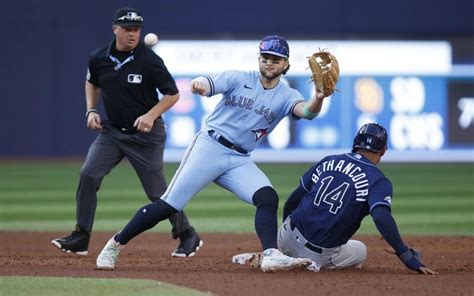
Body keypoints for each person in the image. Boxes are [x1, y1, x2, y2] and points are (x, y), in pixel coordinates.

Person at [94, 35, 330, 272]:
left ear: (286, 65)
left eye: (276, 59)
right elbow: (206, 82)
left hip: (239, 159)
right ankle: (114, 244)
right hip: (209, 147)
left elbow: (307, 113)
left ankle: (270, 254)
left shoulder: (287, 95)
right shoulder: (239, 77)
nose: (269, 62)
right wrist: (199, 84)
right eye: (266, 57)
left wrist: (318, 98)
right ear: (259, 59)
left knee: (267, 197)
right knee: (169, 205)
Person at [51, 7, 203, 258]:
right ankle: (81, 236)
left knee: (157, 193)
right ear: (115, 29)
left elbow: (173, 94)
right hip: (112, 133)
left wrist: (151, 115)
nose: (133, 34)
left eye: (136, 29)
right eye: (127, 29)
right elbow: (91, 81)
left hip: (146, 136)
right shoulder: (99, 57)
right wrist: (90, 109)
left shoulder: (150, 60)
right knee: (88, 174)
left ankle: (187, 234)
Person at [277, 123, 437, 274]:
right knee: (360, 250)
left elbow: (292, 201)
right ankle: (308, 264)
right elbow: (381, 217)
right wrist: (406, 256)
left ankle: (283, 255)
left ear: (356, 144)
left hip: (284, 238)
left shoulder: (329, 160)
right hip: (314, 256)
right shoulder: (378, 180)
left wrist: (287, 232)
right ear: (383, 150)